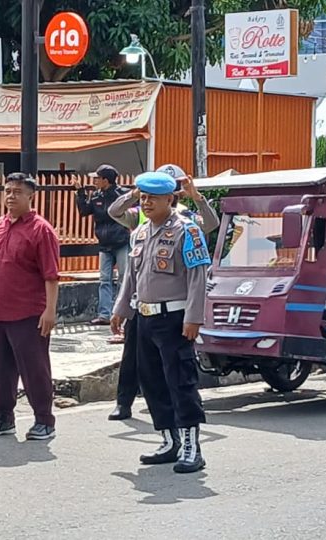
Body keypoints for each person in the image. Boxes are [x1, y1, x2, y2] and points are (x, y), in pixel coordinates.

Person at [110, 171, 210, 474]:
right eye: (143, 196)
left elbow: (197, 277)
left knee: (180, 381)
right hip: (144, 316)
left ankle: (192, 445)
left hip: (175, 318)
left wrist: (194, 317)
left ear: (171, 199)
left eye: (153, 197)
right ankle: (169, 439)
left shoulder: (187, 230)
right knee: (151, 380)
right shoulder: (139, 232)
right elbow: (131, 276)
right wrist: (121, 310)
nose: (147, 202)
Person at [0, 173, 60, 441]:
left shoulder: (41, 230)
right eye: (8, 191)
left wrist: (50, 311)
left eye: (18, 191)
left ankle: (44, 420)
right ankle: (2, 417)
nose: (11, 196)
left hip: (29, 312)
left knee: (34, 368)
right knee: (1, 370)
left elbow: (51, 275)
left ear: (31, 196)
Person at [75, 164, 132, 327]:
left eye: (97, 178)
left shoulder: (123, 194)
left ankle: (122, 314)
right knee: (104, 279)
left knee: (123, 278)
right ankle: (104, 314)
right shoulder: (96, 195)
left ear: (105, 180)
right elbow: (84, 211)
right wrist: (80, 193)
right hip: (104, 243)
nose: (94, 181)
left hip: (121, 241)